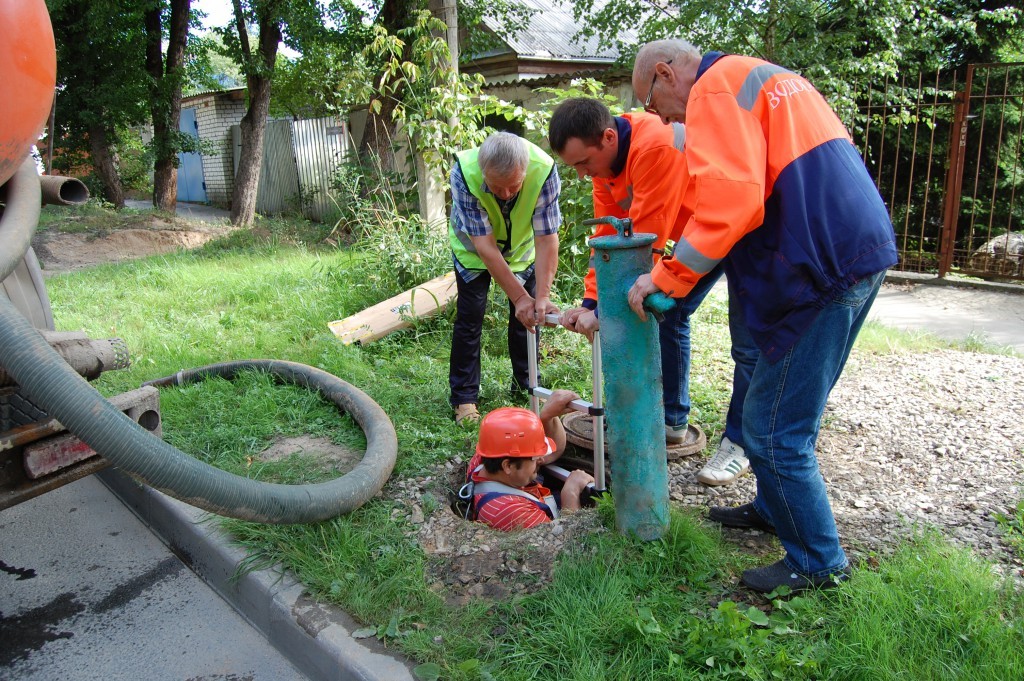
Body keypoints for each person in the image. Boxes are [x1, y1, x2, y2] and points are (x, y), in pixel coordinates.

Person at [628, 39, 898, 593]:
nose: (661, 117)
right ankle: (776, 511)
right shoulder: (763, 78)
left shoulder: (714, 89)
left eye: (653, 103)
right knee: (779, 408)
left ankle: (819, 563)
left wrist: (665, 278)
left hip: (821, 263)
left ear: (664, 74)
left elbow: (732, 203)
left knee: (775, 429)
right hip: (852, 247)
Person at [547, 97, 756, 481]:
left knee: (749, 342)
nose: (580, 175)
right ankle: (672, 420)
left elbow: (644, 243)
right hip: (697, 236)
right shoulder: (604, 165)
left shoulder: (655, 146)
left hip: (740, 232)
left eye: (582, 163)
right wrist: (591, 300)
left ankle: (741, 444)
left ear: (608, 137)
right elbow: (607, 236)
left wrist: (603, 313)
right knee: (668, 311)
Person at [448, 132, 562, 425]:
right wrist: (519, 296)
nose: (506, 195)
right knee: (470, 317)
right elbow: (484, 246)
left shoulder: (544, 170)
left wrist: (541, 297)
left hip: (522, 250)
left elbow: (547, 237)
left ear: (525, 170)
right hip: (474, 251)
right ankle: (464, 399)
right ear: (484, 172)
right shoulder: (464, 171)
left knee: (529, 318)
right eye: (496, 188)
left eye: (514, 186)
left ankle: (527, 388)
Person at [463, 390, 596, 531]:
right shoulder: (513, 513)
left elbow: (553, 452)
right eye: (534, 457)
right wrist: (570, 493)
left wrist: (547, 417)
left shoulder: (484, 459)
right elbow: (566, 542)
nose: (540, 460)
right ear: (508, 466)